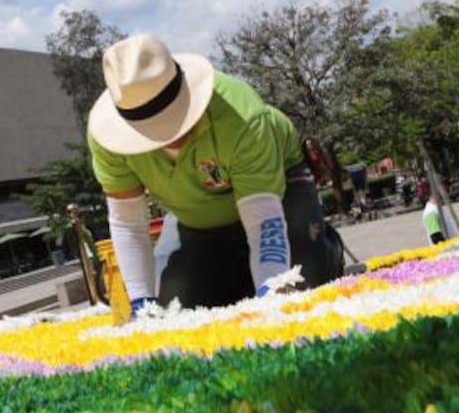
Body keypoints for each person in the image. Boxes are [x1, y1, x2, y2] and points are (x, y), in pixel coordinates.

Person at [88, 34, 346, 313]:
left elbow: (263, 222)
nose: (167, 138)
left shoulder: (242, 116)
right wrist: (141, 303)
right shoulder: (107, 140)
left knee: (297, 286)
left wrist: (270, 295)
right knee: (175, 305)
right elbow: (128, 224)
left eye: (173, 121)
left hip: (280, 192)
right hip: (195, 214)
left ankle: (325, 247)